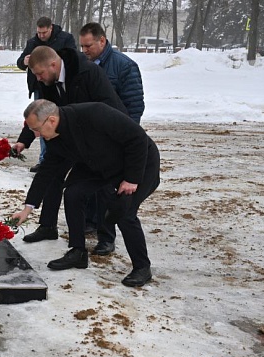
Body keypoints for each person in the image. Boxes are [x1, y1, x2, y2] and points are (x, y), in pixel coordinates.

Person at [11, 99, 160, 287]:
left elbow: (137, 138)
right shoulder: (54, 138)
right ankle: (78, 252)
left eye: (37, 129)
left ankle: (142, 268)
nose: (37, 135)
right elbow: (46, 172)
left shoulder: (94, 113)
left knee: (124, 212)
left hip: (138, 163)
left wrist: (131, 178)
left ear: (51, 120)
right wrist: (27, 208)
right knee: (73, 193)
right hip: (98, 165)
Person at [12, 45, 127, 245]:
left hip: (97, 140)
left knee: (104, 185)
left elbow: (110, 106)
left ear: (53, 64)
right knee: (52, 174)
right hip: (66, 135)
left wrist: (117, 142)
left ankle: (106, 237)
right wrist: (24, 139)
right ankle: (48, 226)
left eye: (39, 73)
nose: (37, 78)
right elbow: (40, 112)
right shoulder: (48, 79)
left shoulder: (88, 73)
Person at [79, 22, 146, 256]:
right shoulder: (83, 65)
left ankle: (106, 236)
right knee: (88, 184)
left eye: (88, 46)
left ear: (102, 41)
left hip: (116, 138)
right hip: (92, 137)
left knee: (108, 189)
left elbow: (134, 105)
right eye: (82, 46)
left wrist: (126, 139)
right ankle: (89, 221)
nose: (84, 50)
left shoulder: (124, 66)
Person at [16, 17, 76, 172]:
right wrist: (25, 61)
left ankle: (69, 158)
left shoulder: (65, 39)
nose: (41, 35)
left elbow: (72, 58)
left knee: (59, 120)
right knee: (41, 121)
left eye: (44, 32)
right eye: (39, 32)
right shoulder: (32, 42)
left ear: (51, 28)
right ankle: (45, 159)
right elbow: (20, 62)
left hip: (61, 84)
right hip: (40, 88)